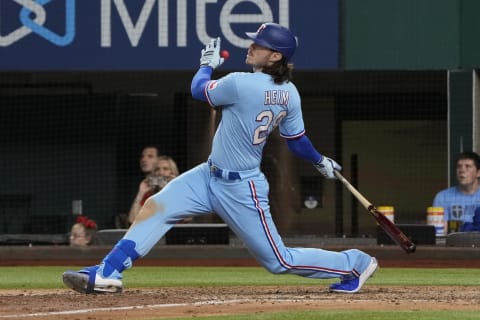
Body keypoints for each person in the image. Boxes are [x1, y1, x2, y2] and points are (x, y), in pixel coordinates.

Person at [62, 22, 378, 294]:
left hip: (242, 188)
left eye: (260, 44)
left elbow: (199, 90)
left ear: (276, 56)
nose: (251, 45)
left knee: (279, 261)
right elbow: (296, 141)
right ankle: (108, 272)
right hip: (208, 175)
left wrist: (205, 65)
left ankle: (354, 264)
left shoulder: (242, 83)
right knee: (156, 206)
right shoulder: (290, 93)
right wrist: (320, 159)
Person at [115, 146, 162, 228]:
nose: (144, 160)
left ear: (159, 160)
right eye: (142, 156)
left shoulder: (169, 184)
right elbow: (132, 221)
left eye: (150, 156)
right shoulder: (137, 186)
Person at [433, 151, 480, 232]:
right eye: (459, 166)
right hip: (452, 243)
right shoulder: (442, 197)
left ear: (478, 173)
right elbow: (440, 230)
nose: (462, 170)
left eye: (467, 166)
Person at [127, 155, 179, 225]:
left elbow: (188, 218)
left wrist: (174, 189)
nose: (161, 173)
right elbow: (132, 220)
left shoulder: (179, 191)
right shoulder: (149, 195)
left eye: (165, 169)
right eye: (157, 169)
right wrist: (140, 193)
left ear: (172, 173)